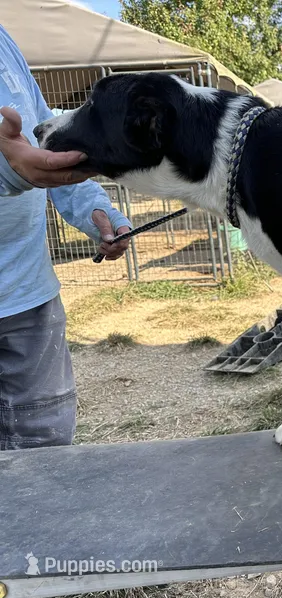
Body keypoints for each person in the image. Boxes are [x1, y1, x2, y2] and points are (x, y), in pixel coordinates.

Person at [0, 24, 132, 450]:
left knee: (47, 454)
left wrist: (98, 212)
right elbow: (18, 161)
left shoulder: (4, 39)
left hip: (28, 295)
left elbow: (45, 143)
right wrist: (8, 169)